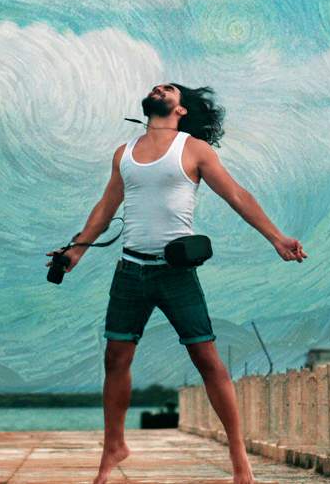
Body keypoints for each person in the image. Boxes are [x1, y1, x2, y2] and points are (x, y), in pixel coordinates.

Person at [46, 83, 308, 484]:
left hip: (176, 274)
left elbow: (237, 195)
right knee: (115, 358)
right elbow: (106, 207)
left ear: (181, 109)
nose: (159, 88)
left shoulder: (194, 150)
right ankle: (114, 446)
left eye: (168, 89)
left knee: (207, 360)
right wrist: (75, 252)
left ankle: (239, 455)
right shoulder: (124, 153)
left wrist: (277, 238)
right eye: (157, 86)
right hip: (130, 270)